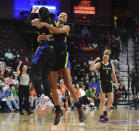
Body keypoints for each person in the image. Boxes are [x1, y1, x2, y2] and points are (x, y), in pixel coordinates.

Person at [34, 12, 85, 125]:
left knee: (68, 84)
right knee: (53, 87)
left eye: (64, 15)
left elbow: (57, 31)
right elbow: (47, 37)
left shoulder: (66, 27)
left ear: (66, 19)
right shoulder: (52, 27)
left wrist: (45, 25)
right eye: (60, 14)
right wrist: (41, 37)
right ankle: (58, 110)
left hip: (63, 56)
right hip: (53, 57)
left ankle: (79, 108)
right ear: (57, 17)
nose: (62, 16)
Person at [27, 7, 56, 114]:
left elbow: (27, 22)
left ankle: (40, 96)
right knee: (45, 76)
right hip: (53, 51)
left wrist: (32, 12)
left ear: (39, 15)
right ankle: (47, 99)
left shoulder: (40, 21)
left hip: (43, 48)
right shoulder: (53, 21)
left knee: (33, 73)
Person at [90, 49, 119, 123]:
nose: (105, 59)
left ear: (108, 58)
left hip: (109, 83)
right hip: (101, 83)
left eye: (106, 58)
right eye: (104, 58)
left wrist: (116, 83)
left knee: (111, 100)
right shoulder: (99, 64)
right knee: (102, 101)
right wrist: (95, 60)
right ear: (103, 58)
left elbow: (114, 75)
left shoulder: (111, 64)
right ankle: (101, 116)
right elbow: (91, 68)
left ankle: (105, 112)